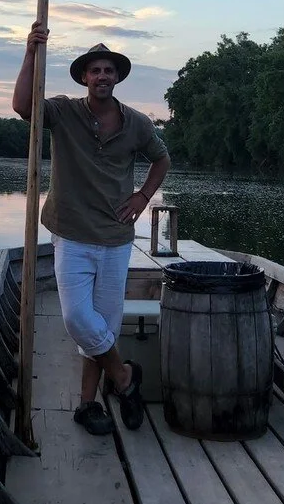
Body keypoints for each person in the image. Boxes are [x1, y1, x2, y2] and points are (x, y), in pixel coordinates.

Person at [12, 22, 171, 435]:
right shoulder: (64, 112)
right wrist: (31, 51)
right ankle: (124, 378)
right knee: (80, 319)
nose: (102, 76)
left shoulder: (136, 123)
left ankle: (87, 406)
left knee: (104, 324)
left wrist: (142, 196)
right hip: (71, 234)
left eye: (109, 71)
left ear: (117, 78)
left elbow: (162, 160)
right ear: (84, 77)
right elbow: (24, 108)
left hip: (116, 239)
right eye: (95, 70)